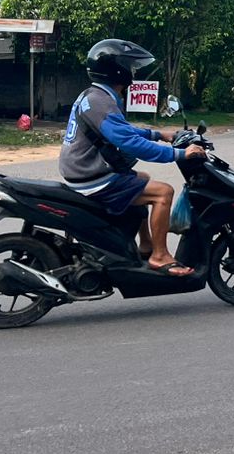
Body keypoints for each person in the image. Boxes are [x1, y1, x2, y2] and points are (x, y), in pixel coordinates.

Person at [59, 39, 205, 278]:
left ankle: (146, 244)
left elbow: (122, 130)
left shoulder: (94, 95)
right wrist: (179, 153)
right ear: (118, 70)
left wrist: (158, 134)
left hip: (82, 170)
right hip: (91, 175)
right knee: (163, 192)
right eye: (131, 67)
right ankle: (160, 256)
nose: (134, 72)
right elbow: (130, 143)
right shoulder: (101, 102)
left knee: (143, 178)